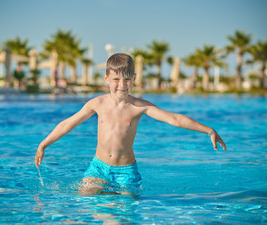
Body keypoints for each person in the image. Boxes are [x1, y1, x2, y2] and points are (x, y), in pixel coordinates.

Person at [35, 53, 227, 195]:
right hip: (98, 167)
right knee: (86, 199)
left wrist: (208, 130)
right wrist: (44, 144)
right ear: (106, 78)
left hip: (126, 171)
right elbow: (68, 123)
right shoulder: (97, 104)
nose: (122, 84)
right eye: (116, 79)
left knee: (124, 215)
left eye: (127, 79)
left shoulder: (139, 106)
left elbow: (174, 119)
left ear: (134, 78)